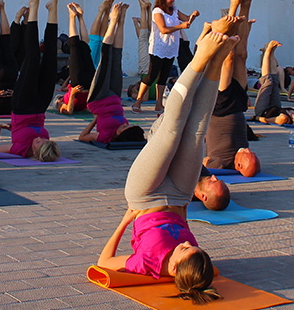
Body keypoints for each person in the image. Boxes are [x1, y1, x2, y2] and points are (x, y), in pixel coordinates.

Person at [97, 24, 239, 305]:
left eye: (184, 249)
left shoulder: (147, 264)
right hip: (178, 195)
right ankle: (216, 62)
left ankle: (200, 58)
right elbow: (182, 230)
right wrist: (183, 214)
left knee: (170, 133)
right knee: (197, 131)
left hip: (144, 195)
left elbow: (105, 261)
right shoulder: (195, 259)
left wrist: (125, 221)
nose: (187, 243)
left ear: (173, 269)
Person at [0, 0, 61, 162]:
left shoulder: (20, 149)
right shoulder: (45, 143)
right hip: (41, 106)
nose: (40, 139)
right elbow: (44, 142)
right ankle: (53, 8)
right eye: (45, 140)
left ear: (35, 153)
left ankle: (34, 7)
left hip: (22, 104)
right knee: (51, 57)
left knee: (33, 55)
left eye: (39, 144)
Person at [204, 0, 261, 178]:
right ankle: (247, 2)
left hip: (220, 109)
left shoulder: (220, 164)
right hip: (238, 107)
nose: (247, 150)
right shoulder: (243, 155)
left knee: (228, 57)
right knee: (242, 54)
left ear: (239, 166)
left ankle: (234, 3)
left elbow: (201, 163)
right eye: (250, 152)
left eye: (247, 156)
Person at [77, 3, 145, 144]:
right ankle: (121, 21)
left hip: (98, 98)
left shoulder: (105, 136)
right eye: (127, 124)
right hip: (114, 96)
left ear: (120, 135)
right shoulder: (122, 126)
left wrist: (94, 121)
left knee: (106, 58)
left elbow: (82, 137)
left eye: (125, 127)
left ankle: (113, 20)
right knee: (116, 58)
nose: (124, 124)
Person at [131, 0, 200, 114]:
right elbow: (163, 29)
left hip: (171, 48)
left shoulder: (174, 10)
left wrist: (193, 16)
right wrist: (180, 26)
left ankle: (159, 104)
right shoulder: (158, 11)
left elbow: (186, 19)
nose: (172, 1)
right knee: (151, 76)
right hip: (159, 48)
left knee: (164, 76)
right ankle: (138, 101)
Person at [253, 40, 294, 127]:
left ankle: (267, 51)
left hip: (264, 110)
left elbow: (265, 120)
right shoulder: (293, 113)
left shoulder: (285, 119)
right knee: (274, 81)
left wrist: (256, 118)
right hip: (274, 106)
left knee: (268, 82)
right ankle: (271, 51)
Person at [56, 2, 94, 115]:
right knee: (75, 47)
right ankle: (72, 17)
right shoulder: (62, 103)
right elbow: (69, 111)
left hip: (87, 82)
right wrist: (72, 93)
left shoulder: (67, 96)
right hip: (80, 82)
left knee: (84, 47)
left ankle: (80, 17)